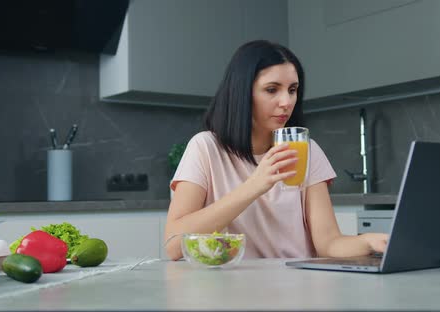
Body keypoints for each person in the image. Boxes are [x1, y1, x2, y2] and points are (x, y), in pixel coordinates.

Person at [164, 40, 388, 260]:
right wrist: (255, 185)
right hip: (234, 291)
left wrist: (368, 241)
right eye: (272, 90)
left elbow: (328, 243)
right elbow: (173, 245)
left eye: (292, 90)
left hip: (298, 286)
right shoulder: (205, 148)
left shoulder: (306, 150)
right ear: (241, 92)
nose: (286, 102)